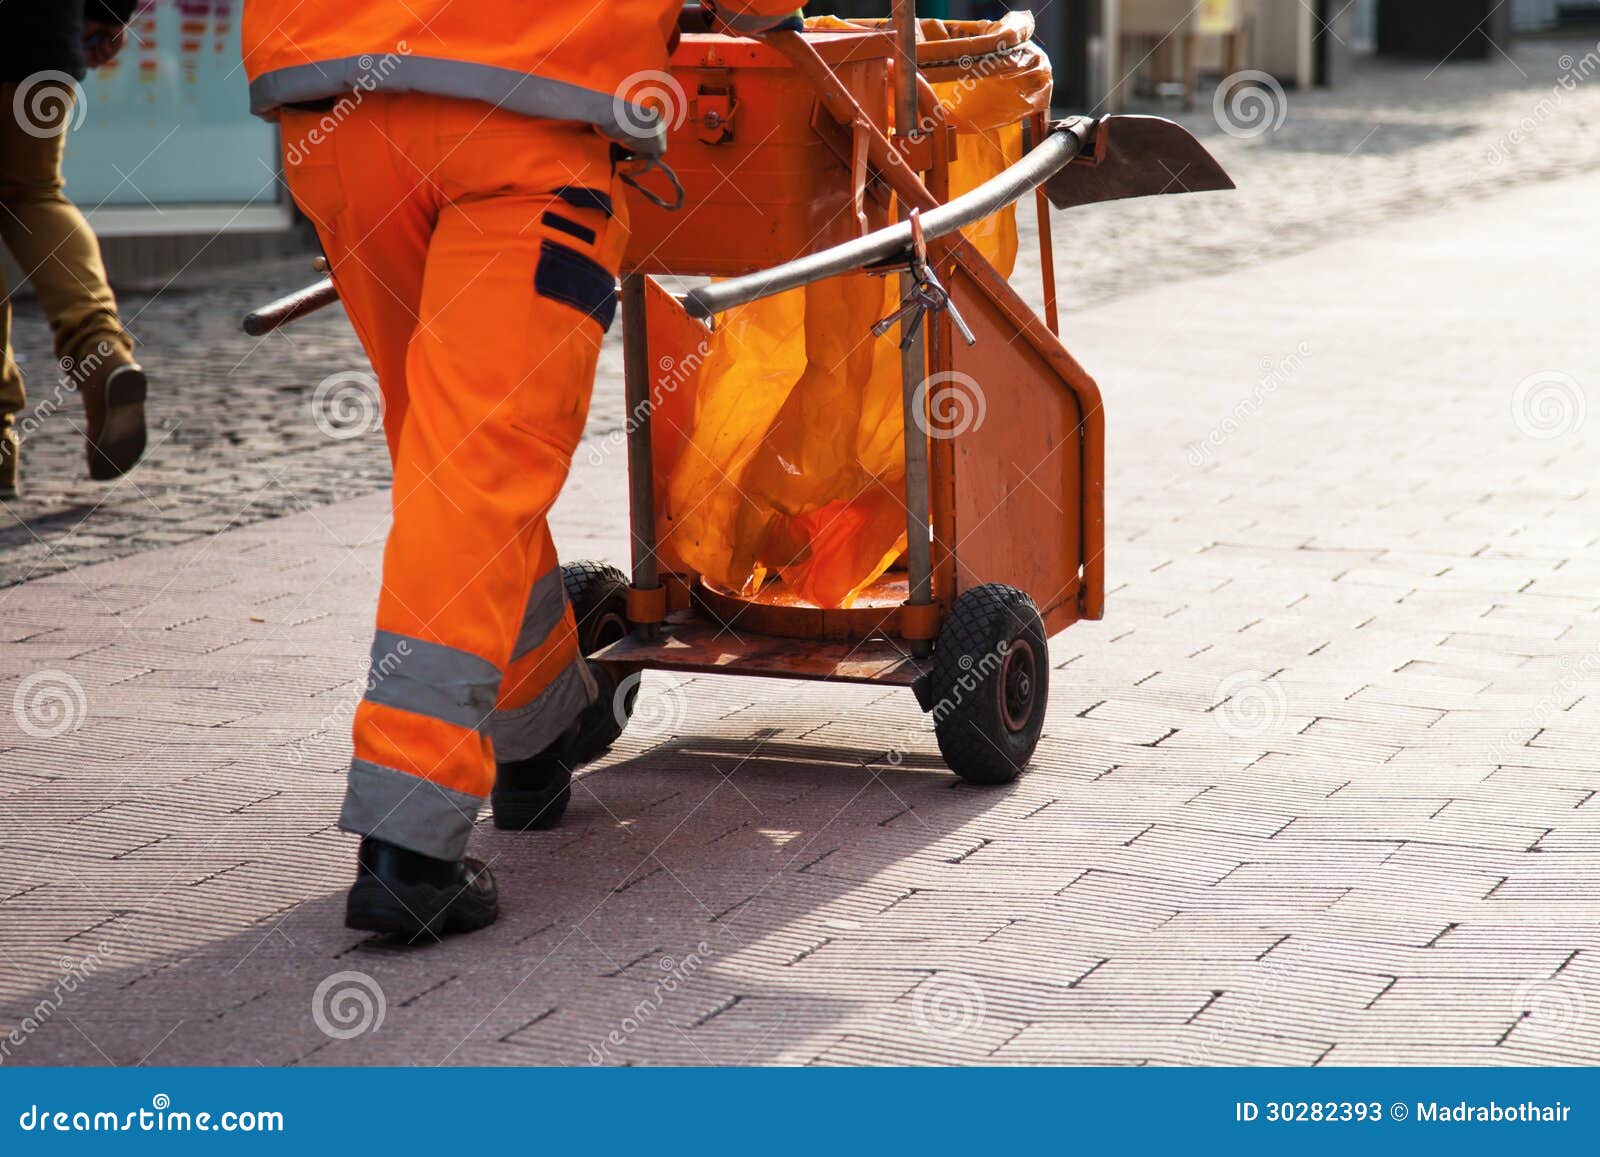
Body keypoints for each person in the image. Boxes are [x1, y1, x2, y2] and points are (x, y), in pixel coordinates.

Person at [241, 0, 806, 939]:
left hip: (335, 110)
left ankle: (536, 728)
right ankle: (409, 835)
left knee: (449, 455)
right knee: (475, 465)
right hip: (528, 118)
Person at [0, 0, 149, 500]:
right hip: (42, 33)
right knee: (35, 195)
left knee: (33, 193)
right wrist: (110, 11)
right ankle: (100, 350)